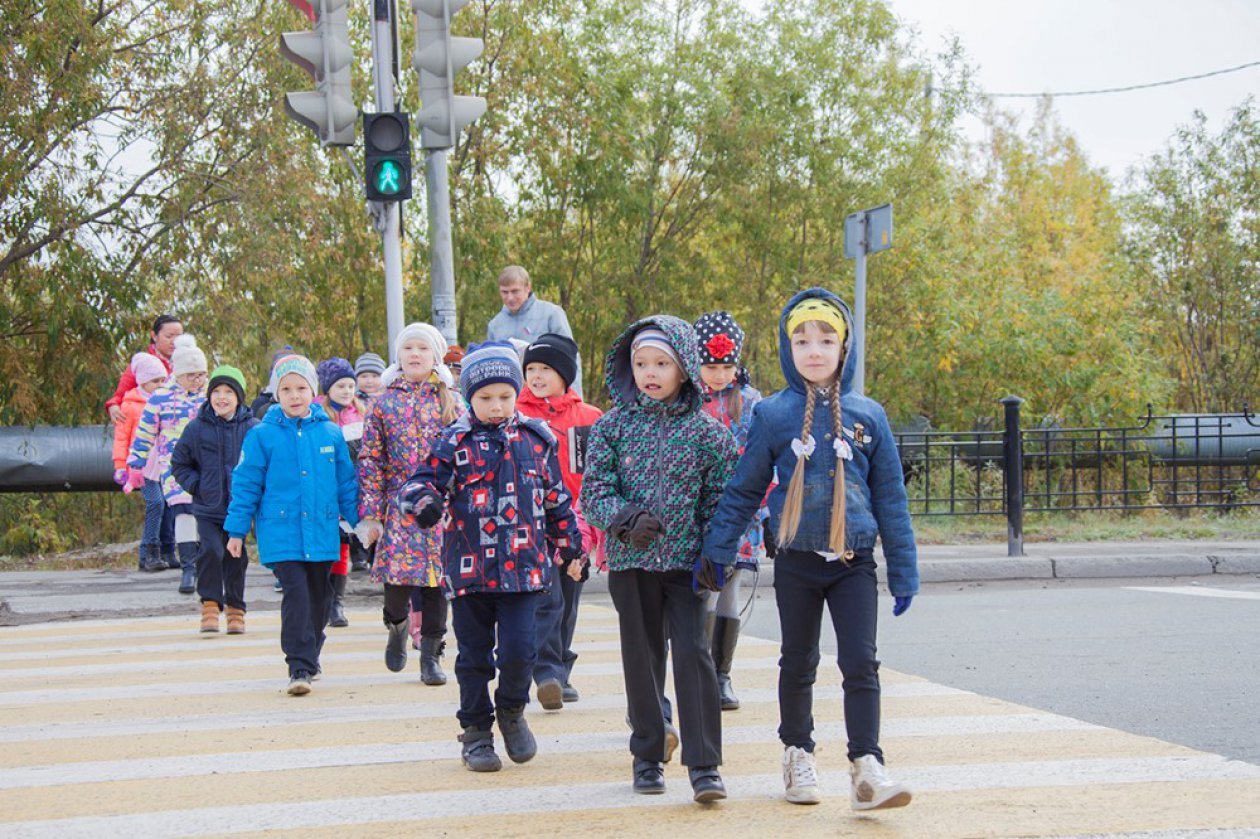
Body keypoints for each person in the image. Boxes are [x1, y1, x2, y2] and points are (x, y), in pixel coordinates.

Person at [701, 289, 919, 810]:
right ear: (787, 347)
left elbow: (891, 498)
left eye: (826, 339)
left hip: (853, 564)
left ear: (844, 348)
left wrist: (906, 570)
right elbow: (744, 489)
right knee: (798, 661)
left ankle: (867, 768)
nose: (814, 350)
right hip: (797, 562)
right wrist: (717, 550)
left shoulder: (870, 415)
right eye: (802, 340)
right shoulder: (774, 415)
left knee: (860, 664)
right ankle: (797, 754)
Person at [399, 342, 583, 772]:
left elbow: (556, 500)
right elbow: (418, 483)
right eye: (485, 398)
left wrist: (571, 543)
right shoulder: (453, 441)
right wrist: (424, 502)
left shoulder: (537, 439)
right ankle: (477, 732)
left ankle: (512, 710)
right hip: (470, 572)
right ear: (469, 397)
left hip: (524, 572)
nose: (496, 407)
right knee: (474, 658)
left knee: (520, 652)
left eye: (505, 396)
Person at [580, 316, 736, 803]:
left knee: (694, 655)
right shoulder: (612, 426)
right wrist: (624, 518)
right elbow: (594, 493)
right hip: (632, 563)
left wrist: (717, 552)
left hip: (687, 566)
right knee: (643, 659)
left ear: (685, 367)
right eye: (641, 363)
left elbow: (723, 500)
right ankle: (648, 755)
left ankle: (705, 764)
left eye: (662, 363)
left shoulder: (709, 434)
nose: (650, 372)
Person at [224, 355, 359, 696]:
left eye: (301, 388)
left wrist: (362, 523)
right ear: (276, 393)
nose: (294, 395)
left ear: (313, 391)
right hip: (280, 532)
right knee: (296, 594)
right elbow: (246, 484)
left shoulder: (330, 432)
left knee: (320, 598)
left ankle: (311, 653)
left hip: (322, 530)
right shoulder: (262, 436)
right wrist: (236, 530)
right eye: (286, 389)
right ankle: (298, 665)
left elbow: (345, 483)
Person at [357, 323, 458, 685]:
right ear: (398, 356)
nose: (415, 354)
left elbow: (463, 455)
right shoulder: (383, 402)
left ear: (435, 356)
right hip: (398, 507)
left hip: (438, 508)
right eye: (408, 348)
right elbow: (370, 458)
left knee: (437, 584)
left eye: (423, 349)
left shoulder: (451, 401)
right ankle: (397, 627)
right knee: (396, 585)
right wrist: (370, 513)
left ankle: (431, 654)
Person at [517, 333, 603, 708]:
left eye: (546, 369)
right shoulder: (517, 414)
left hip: (577, 524)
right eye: (531, 369)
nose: (536, 376)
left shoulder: (588, 418)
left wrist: (595, 531)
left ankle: (561, 668)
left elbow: (597, 476)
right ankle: (546, 671)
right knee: (546, 600)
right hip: (532, 523)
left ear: (565, 374)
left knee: (568, 600)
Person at [693, 311, 767, 711]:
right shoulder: (687, 402)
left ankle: (722, 674)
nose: (719, 375)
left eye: (726, 366)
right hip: (696, 513)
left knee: (729, 591)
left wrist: (767, 514)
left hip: (741, 512)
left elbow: (765, 461)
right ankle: (700, 670)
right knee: (702, 588)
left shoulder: (753, 404)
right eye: (710, 366)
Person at [170, 366, 260, 634]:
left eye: (228, 392)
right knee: (210, 551)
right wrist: (197, 486)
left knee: (236, 557)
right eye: (216, 391)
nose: (222, 397)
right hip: (208, 507)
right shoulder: (197, 428)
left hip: (239, 509)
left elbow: (263, 464)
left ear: (239, 397)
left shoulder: (253, 428)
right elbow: (180, 464)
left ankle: (236, 609)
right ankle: (210, 604)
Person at [127, 335, 208, 591]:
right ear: (179, 374)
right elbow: (146, 430)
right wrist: (137, 458)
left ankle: (207, 566)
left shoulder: (210, 398)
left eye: (201, 374)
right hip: (175, 468)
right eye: (191, 375)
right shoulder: (160, 399)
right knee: (183, 514)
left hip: (208, 467)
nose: (197, 380)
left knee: (205, 516)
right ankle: (188, 568)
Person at [315, 357, 367, 627]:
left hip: (350, 490)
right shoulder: (319, 416)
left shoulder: (360, 413)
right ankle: (322, 599)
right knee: (327, 546)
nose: (347, 391)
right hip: (324, 492)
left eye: (350, 385)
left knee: (343, 546)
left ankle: (337, 602)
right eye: (340, 386)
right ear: (327, 388)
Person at [111, 353, 170, 571]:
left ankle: (161, 552)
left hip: (161, 465)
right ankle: (148, 552)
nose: (161, 385)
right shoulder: (130, 406)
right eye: (156, 381)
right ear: (143, 381)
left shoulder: (163, 403)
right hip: (141, 467)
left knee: (166, 505)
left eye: (163, 380)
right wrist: (120, 466)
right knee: (156, 503)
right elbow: (121, 438)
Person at [485, 265, 582, 394]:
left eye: (515, 291)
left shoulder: (551, 314)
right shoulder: (495, 325)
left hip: (551, 397)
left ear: (528, 288)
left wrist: (574, 397)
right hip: (514, 399)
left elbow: (570, 357)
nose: (510, 298)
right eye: (505, 292)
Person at [105, 314, 182, 423]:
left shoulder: (188, 363)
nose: (174, 342)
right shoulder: (142, 363)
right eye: (169, 336)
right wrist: (113, 406)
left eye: (179, 337)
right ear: (154, 336)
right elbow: (120, 395)